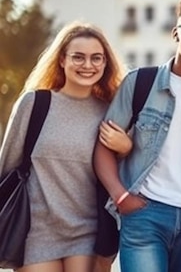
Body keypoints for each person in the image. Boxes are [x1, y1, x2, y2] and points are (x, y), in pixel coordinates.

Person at [93, 0, 181, 272]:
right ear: (176, 32)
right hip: (145, 215)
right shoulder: (140, 83)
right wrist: (121, 197)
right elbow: (103, 147)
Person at [0, 21, 131, 272]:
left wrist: (126, 148)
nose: (88, 65)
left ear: (105, 64)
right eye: (78, 57)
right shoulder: (34, 104)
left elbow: (124, 173)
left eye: (96, 58)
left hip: (88, 232)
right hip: (34, 230)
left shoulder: (111, 113)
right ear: (62, 60)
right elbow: (7, 167)